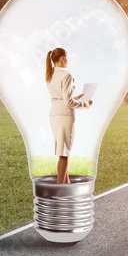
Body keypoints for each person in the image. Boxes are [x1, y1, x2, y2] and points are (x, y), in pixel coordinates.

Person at [45, 47, 92, 183]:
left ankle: (67, 185)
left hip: (54, 114)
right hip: (65, 115)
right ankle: (60, 189)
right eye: (67, 57)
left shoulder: (49, 74)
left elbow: (61, 97)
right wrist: (86, 104)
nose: (68, 60)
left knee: (63, 152)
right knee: (64, 155)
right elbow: (68, 102)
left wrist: (77, 97)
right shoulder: (67, 75)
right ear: (62, 58)